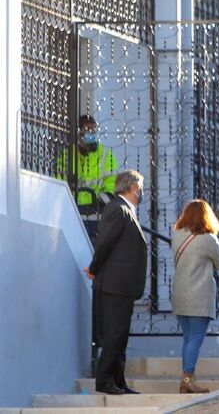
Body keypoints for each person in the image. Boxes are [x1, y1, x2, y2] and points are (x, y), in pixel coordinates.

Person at [85, 170, 147, 395]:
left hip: (123, 287)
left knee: (120, 336)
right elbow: (105, 244)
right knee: (114, 334)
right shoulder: (118, 209)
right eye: (141, 187)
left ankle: (118, 380)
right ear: (133, 188)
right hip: (114, 286)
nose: (142, 192)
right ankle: (104, 381)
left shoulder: (125, 210)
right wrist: (94, 269)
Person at [171, 199, 219, 393]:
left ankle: (187, 378)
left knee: (188, 338)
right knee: (195, 338)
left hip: (179, 293)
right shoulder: (207, 239)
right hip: (199, 295)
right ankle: (187, 377)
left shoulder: (176, 234)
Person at [58, 114, 118, 244]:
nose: (91, 132)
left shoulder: (106, 155)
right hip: (74, 214)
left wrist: (100, 200)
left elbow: (112, 183)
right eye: (87, 129)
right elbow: (60, 181)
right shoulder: (67, 155)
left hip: (97, 215)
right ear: (79, 132)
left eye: (93, 129)